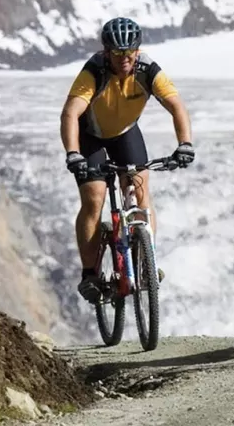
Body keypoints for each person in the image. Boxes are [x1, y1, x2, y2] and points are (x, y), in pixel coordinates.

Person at [60, 16, 194, 303]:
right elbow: (71, 113)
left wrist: (185, 144)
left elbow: (176, 106)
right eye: (117, 53)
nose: (124, 58)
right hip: (90, 135)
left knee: (141, 195)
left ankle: (146, 260)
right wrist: (73, 153)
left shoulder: (148, 70)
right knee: (94, 197)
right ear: (107, 51)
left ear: (137, 49)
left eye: (129, 52)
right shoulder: (94, 71)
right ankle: (90, 274)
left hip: (124, 133)